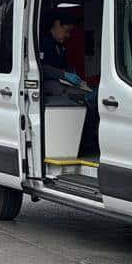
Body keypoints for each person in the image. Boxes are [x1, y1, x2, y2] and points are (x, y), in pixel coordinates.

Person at [39, 11, 99, 157]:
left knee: (89, 96)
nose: (68, 35)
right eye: (66, 31)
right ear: (57, 25)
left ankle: (88, 142)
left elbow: (65, 66)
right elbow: (42, 68)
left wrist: (73, 75)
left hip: (61, 81)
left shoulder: (61, 46)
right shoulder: (43, 43)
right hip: (47, 85)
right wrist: (64, 75)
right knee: (75, 96)